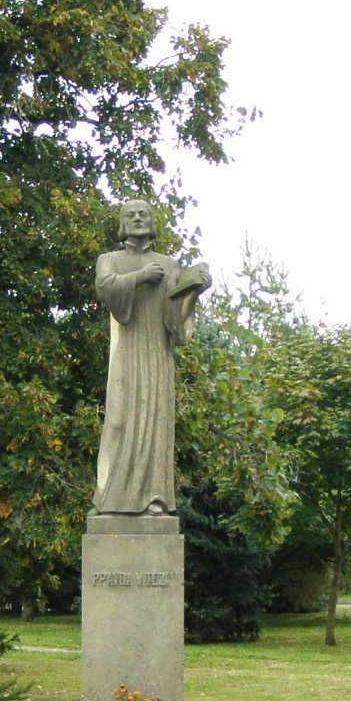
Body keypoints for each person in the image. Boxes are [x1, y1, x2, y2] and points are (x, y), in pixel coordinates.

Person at [92, 201, 209, 515]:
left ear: (152, 222)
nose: (137, 218)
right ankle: (108, 498)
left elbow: (175, 323)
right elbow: (106, 288)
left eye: (143, 213)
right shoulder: (110, 260)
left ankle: (153, 498)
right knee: (117, 421)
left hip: (157, 355)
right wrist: (141, 276)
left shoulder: (169, 265)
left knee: (154, 423)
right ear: (122, 224)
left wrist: (192, 291)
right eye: (130, 214)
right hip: (126, 354)